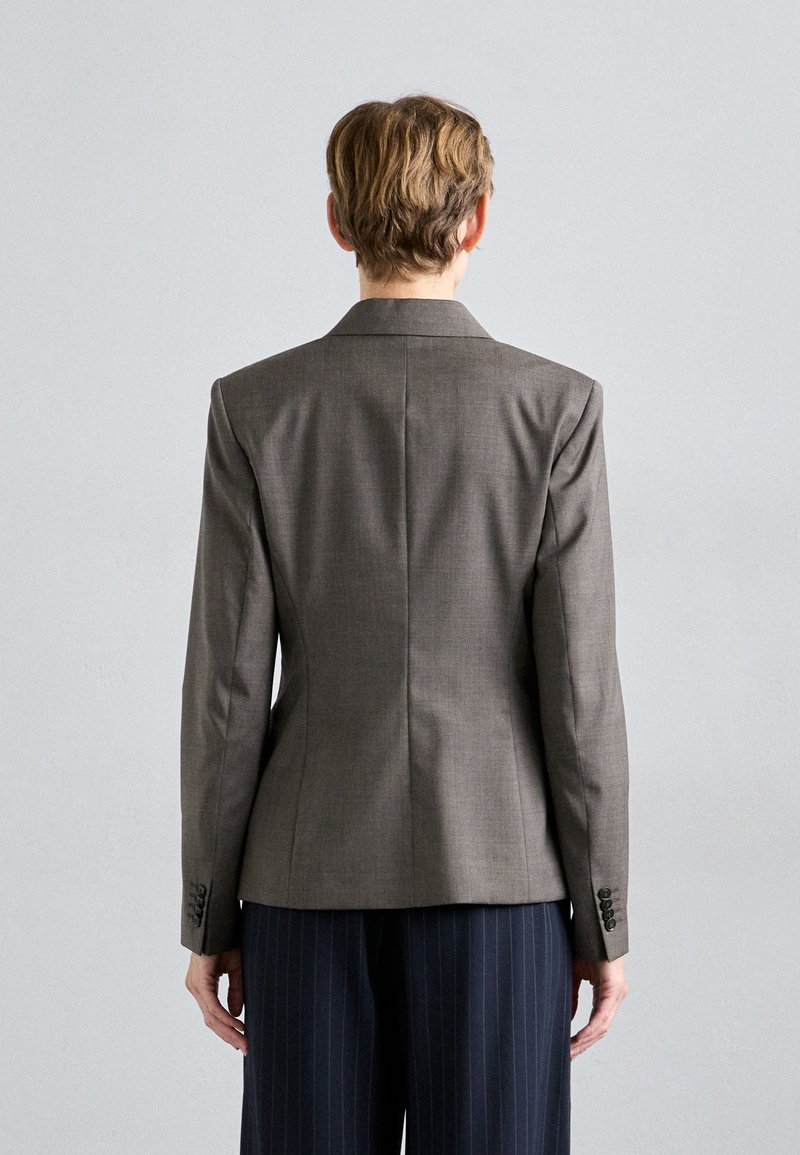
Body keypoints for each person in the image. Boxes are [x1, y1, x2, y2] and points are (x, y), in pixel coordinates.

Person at [180, 93, 630, 1154]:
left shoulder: (256, 407)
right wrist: (601, 915)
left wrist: (210, 914)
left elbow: (229, 691)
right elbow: (578, 693)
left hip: (302, 886)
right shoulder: (554, 408)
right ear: (477, 219)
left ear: (337, 219)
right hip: (503, 885)